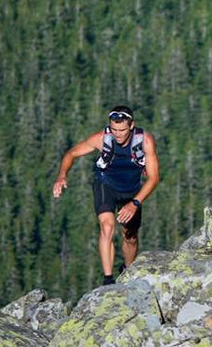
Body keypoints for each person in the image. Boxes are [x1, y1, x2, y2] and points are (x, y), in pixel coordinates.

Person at [52, 105, 160, 285]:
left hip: (131, 190)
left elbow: (154, 178)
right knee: (107, 226)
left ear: (131, 126)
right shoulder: (101, 139)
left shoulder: (145, 141)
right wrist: (62, 175)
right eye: (114, 129)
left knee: (130, 236)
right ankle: (108, 280)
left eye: (122, 130)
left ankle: (127, 271)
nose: (117, 134)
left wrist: (135, 203)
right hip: (105, 185)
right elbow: (72, 153)